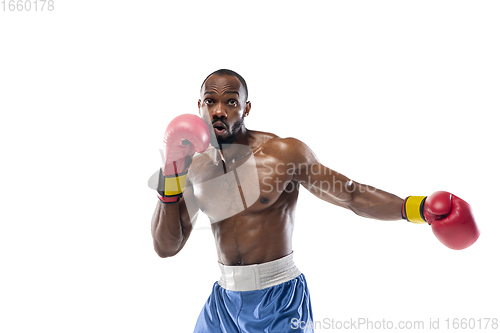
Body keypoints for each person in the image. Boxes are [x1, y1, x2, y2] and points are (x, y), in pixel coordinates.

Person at [151, 69, 479, 333]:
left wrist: (417, 208)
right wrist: (170, 178)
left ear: (246, 107)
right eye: (210, 101)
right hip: (222, 303)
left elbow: (351, 193)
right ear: (199, 106)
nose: (219, 111)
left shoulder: (282, 154)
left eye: (231, 102)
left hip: (277, 300)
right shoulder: (193, 166)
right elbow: (167, 246)